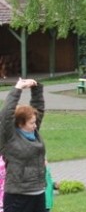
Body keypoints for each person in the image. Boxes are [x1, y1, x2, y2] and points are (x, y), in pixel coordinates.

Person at [0, 77, 45, 212]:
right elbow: (6, 114)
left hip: (38, 193)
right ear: (20, 123)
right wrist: (18, 88)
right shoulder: (9, 137)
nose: (35, 125)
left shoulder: (34, 133)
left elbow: (39, 109)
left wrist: (36, 88)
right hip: (18, 197)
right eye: (31, 123)